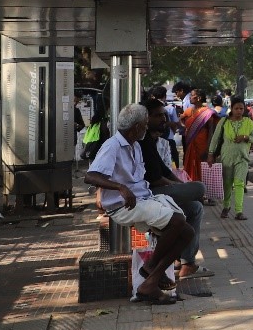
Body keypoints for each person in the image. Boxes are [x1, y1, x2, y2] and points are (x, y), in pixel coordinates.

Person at [86, 103, 194, 303]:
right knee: (177, 221)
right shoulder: (113, 146)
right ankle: (151, 268)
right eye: (144, 125)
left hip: (143, 199)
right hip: (124, 206)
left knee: (187, 231)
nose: (146, 128)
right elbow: (91, 176)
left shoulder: (136, 145)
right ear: (136, 127)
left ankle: (149, 283)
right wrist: (120, 187)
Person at [140, 96, 211, 284]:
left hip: (159, 191)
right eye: (158, 116)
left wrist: (179, 184)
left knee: (195, 207)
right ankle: (159, 264)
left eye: (164, 115)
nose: (163, 119)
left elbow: (164, 171)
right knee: (200, 188)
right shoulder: (141, 140)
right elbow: (155, 179)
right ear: (145, 119)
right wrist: (178, 187)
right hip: (147, 195)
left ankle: (187, 263)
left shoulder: (154, 140)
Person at [209, 96, 253, 221]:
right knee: (227, 183)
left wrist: (245, 137)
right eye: (236, 108)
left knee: (240, 183)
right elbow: (215, 138)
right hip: (226, 158)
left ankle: (239, 211)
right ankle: (226, 206)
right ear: (231, 108)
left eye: (241, 108)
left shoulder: (248, 122)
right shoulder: (224, 122)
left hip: (242, 158)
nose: (239, 111)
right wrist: (210, 154)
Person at [180, 89, 218, 189]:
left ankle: (205, 192)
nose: (189, 97)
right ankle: (192, 190)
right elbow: (182, 121)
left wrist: (209, 150)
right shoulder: (188, 111)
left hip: (203, 146)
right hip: (190, 145)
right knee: (190, 168)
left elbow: (211, 132)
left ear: (199, 98)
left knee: (203, 169)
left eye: (192, 95)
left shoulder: (207, 113)